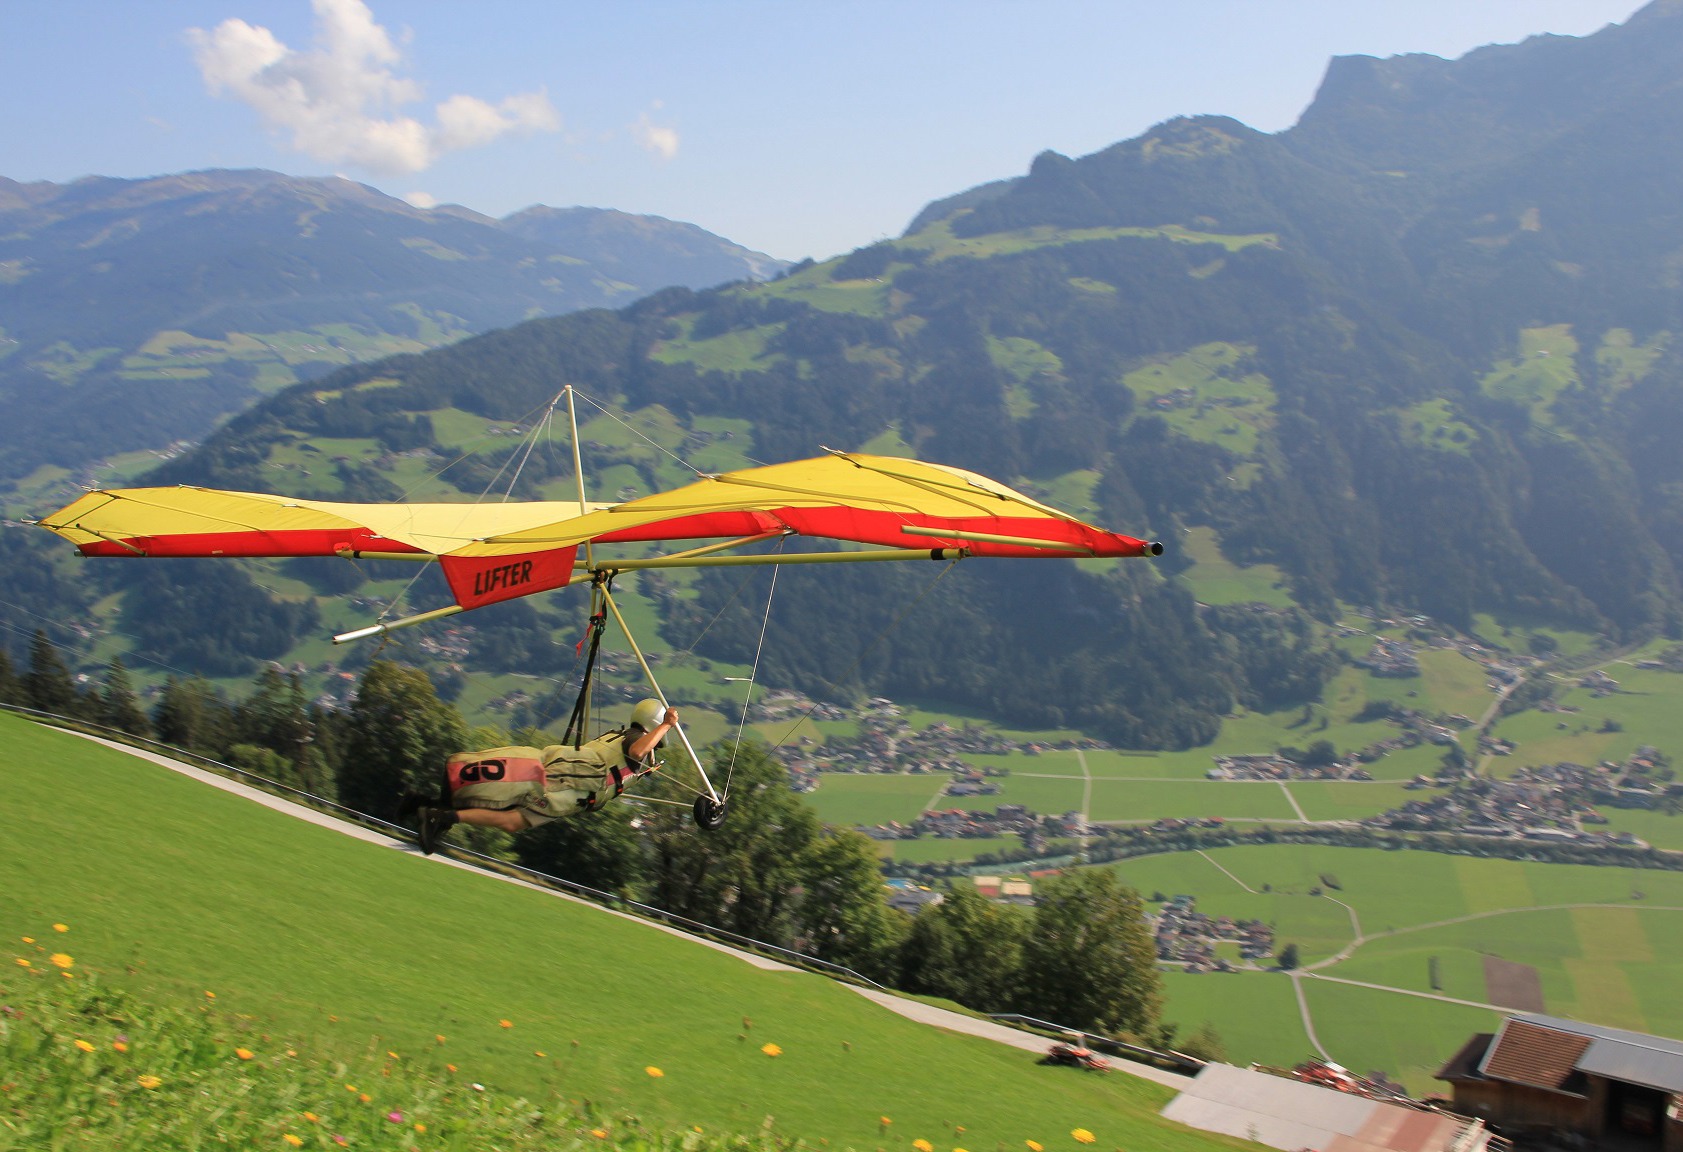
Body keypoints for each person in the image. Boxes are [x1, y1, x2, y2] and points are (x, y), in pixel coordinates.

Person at [415, 699, 680, 854]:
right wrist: (668, 724)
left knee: (512, 822)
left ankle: (441, 815)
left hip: (571, 794)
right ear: (654, 727)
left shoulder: (621, 734)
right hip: (567, 786)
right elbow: (638, 749)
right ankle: (438, 810)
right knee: (510, 801)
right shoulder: (634, 739)